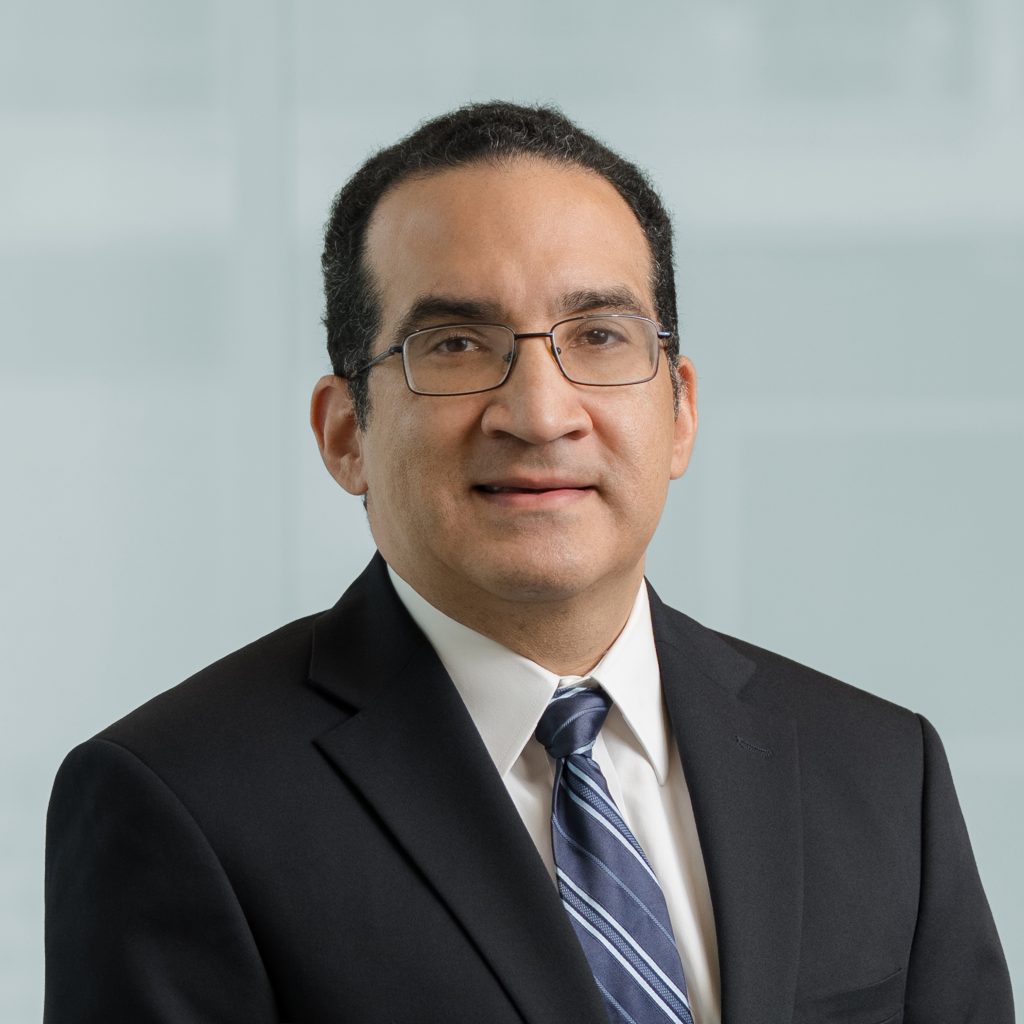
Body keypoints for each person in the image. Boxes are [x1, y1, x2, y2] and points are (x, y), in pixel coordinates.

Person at [44, 102, 1012, 1024]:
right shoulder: (180, 802)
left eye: (599, 336)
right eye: (457, 344)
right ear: (344, 434)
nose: (542, 414)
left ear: (679, 410)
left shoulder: (882, 775)